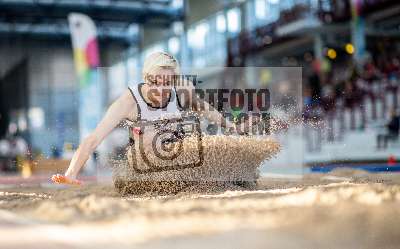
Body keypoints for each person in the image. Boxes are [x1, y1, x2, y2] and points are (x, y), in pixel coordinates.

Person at [52, 52, 238, 186]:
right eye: (155, 82)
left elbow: (203, 108)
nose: (161, 89)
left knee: (204, 140)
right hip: (146, 160)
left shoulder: (183, 89)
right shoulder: (128, 102)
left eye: (167, 84)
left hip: (178, 152)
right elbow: (93, 139)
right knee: (151, 137)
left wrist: (231, 126)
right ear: (146, 78)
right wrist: (71, 173)